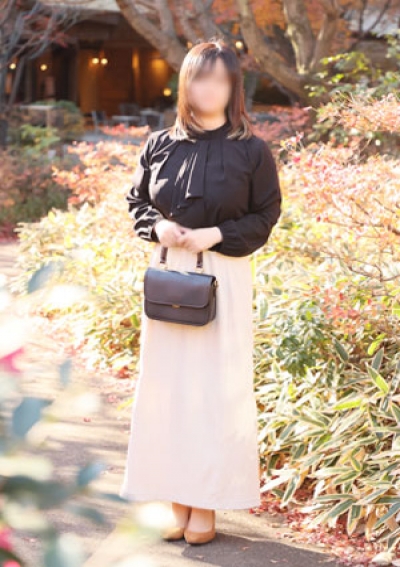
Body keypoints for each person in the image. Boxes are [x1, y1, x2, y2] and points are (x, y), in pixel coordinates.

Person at [119, 38, 282, 546]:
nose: (208, 88)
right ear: (185, 83)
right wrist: (158, 226)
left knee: (213, 391)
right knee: (167, 390)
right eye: (199, 77)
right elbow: (137, 202)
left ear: (233, 87)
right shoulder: (159, 144)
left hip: (223, 272)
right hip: (169, 273)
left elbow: (266, 215)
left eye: (219, 78)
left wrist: (216, 234)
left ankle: (205, 501)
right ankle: (176, 499)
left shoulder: (252, 150)